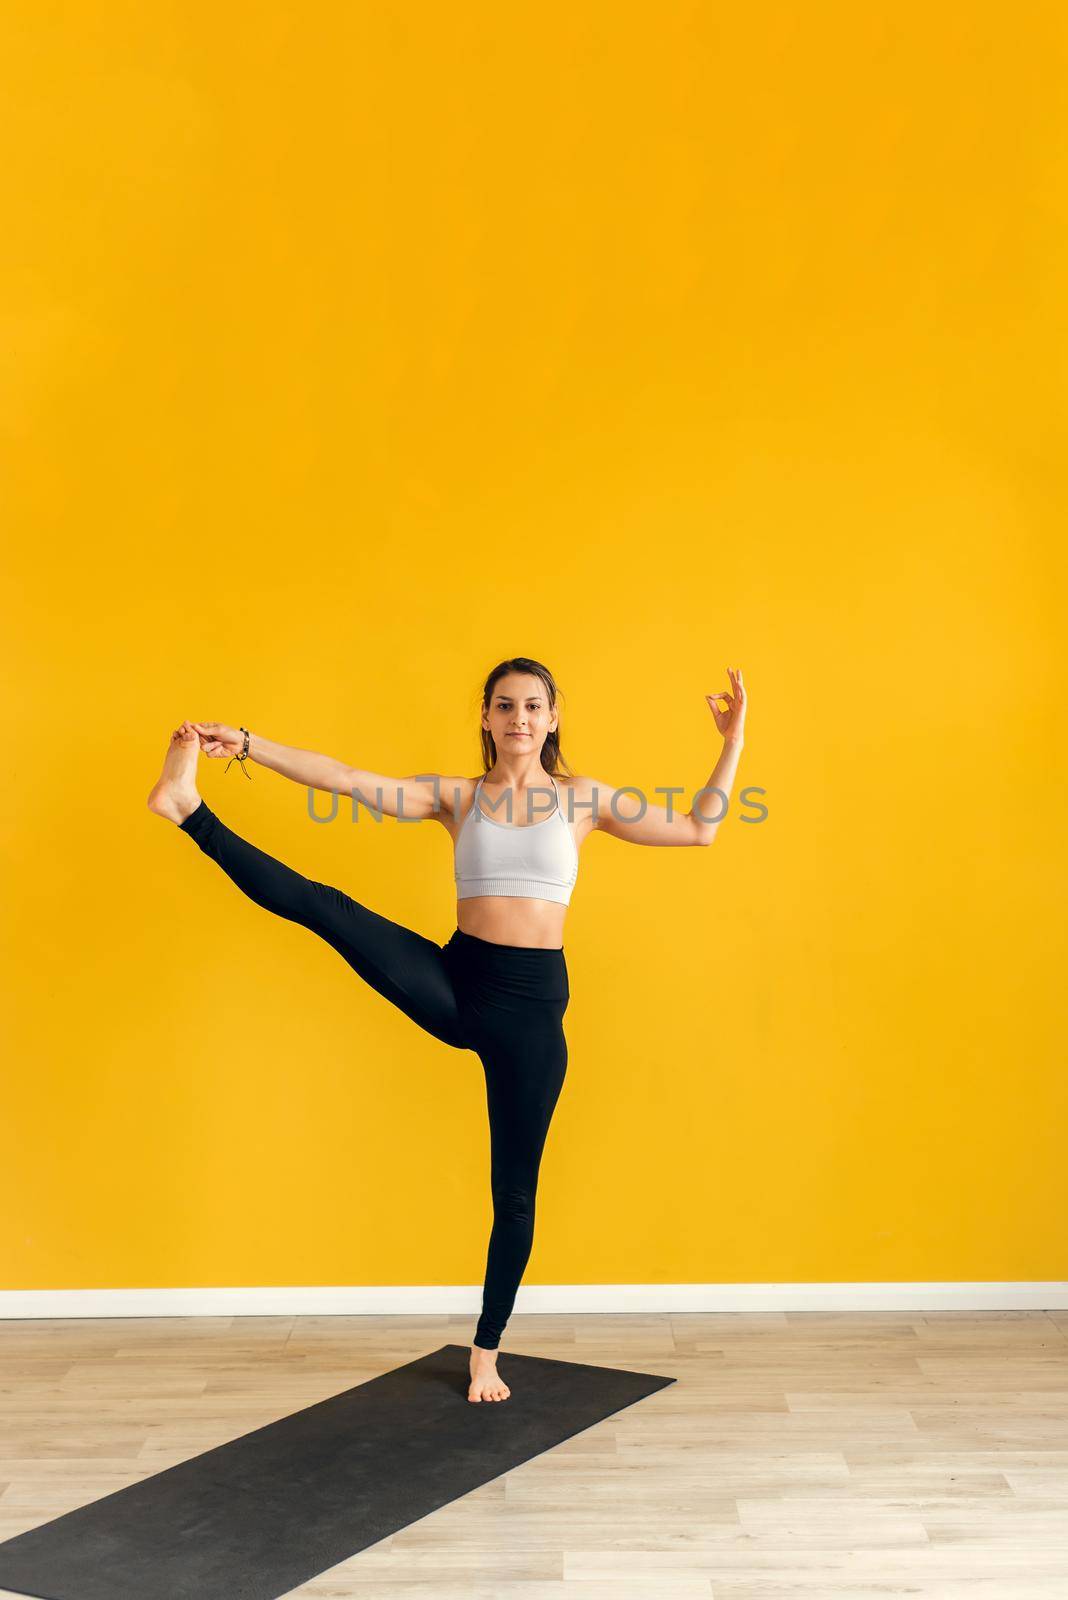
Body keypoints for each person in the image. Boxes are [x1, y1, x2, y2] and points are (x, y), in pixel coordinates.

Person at [147, 656, 747, 1402]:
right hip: (458, 985)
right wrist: (246, 742)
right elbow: (342, 777)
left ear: (553, 717)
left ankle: (486, 1350)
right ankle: (186, 808)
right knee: (326, 909)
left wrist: (732, 739)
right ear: (488, 720)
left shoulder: (583, 800)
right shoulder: (457, 798)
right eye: (505, 706)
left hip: (530, 1017)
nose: (519, 718)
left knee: (516, 1195)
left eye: (533, 706)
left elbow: (698, 830)